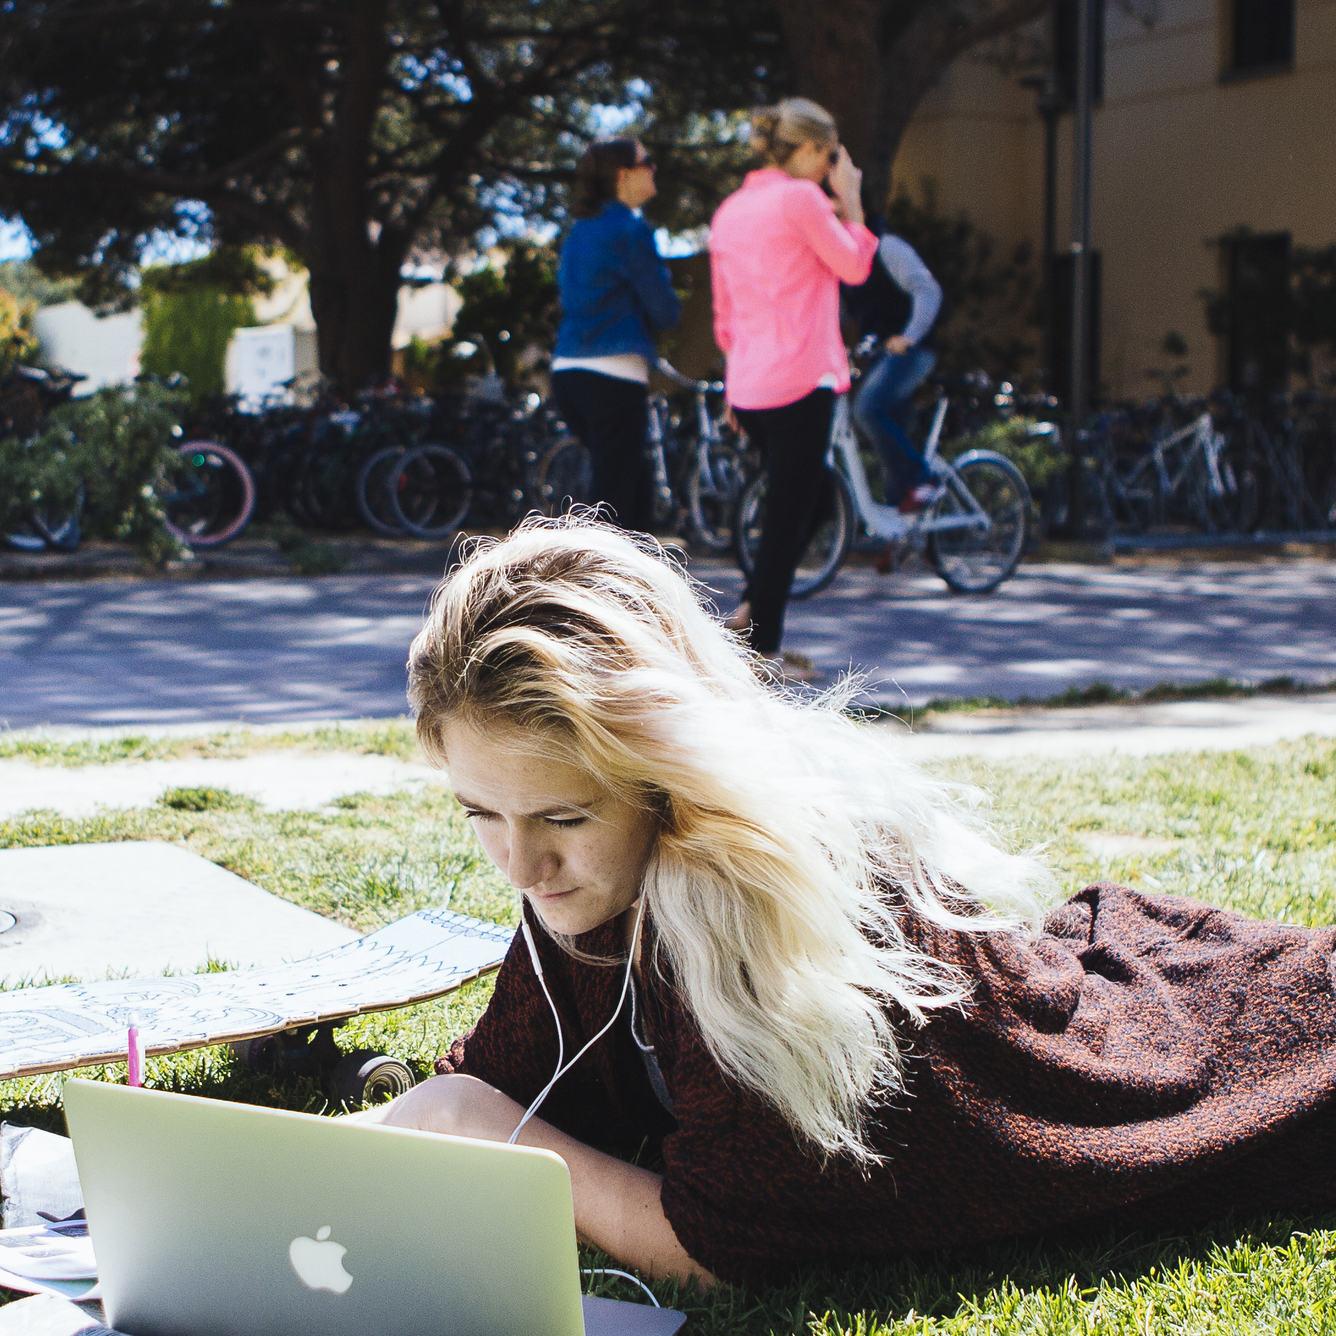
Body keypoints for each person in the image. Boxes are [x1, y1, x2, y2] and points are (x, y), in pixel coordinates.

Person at [368, 514, 1336, 1292]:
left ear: (665, 774)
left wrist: (472, 1125)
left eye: (561, 816)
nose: (520, 863)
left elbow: (721, 1251)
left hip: (1224, 1055)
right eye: (479, 811)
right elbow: (505, 1076)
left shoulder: (750, 889)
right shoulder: (587, 873)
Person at [708, 99, 878, 661]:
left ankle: (750, 617)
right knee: (787, 521)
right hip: (802, 381)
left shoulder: (731, 210)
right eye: (829, 155)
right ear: (806, 148)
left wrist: (733, 390)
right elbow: (854, 266)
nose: (831, 167)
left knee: (817, 504)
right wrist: (851, 200)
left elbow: (724, 318)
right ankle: (760, 652)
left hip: (753, 388)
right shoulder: (802, 199)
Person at [551, 138, 680, 529]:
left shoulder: (579, 232)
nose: (654, 170)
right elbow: (665, 311)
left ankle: (631, 588)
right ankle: (595, 588)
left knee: (631, 492)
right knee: (615, 507)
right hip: (614, 377)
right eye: (648, 162)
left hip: (568, 373)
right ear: (624, 175)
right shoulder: (630, 229)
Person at [846, 227, 944, 513]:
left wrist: (910, 336)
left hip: (912, 351)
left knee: (867, 408)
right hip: (880, 356)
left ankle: (923, 480)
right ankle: (900, 537)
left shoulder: (886, 245)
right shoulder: (840, 256)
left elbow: (928, 290)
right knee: (889, 436)